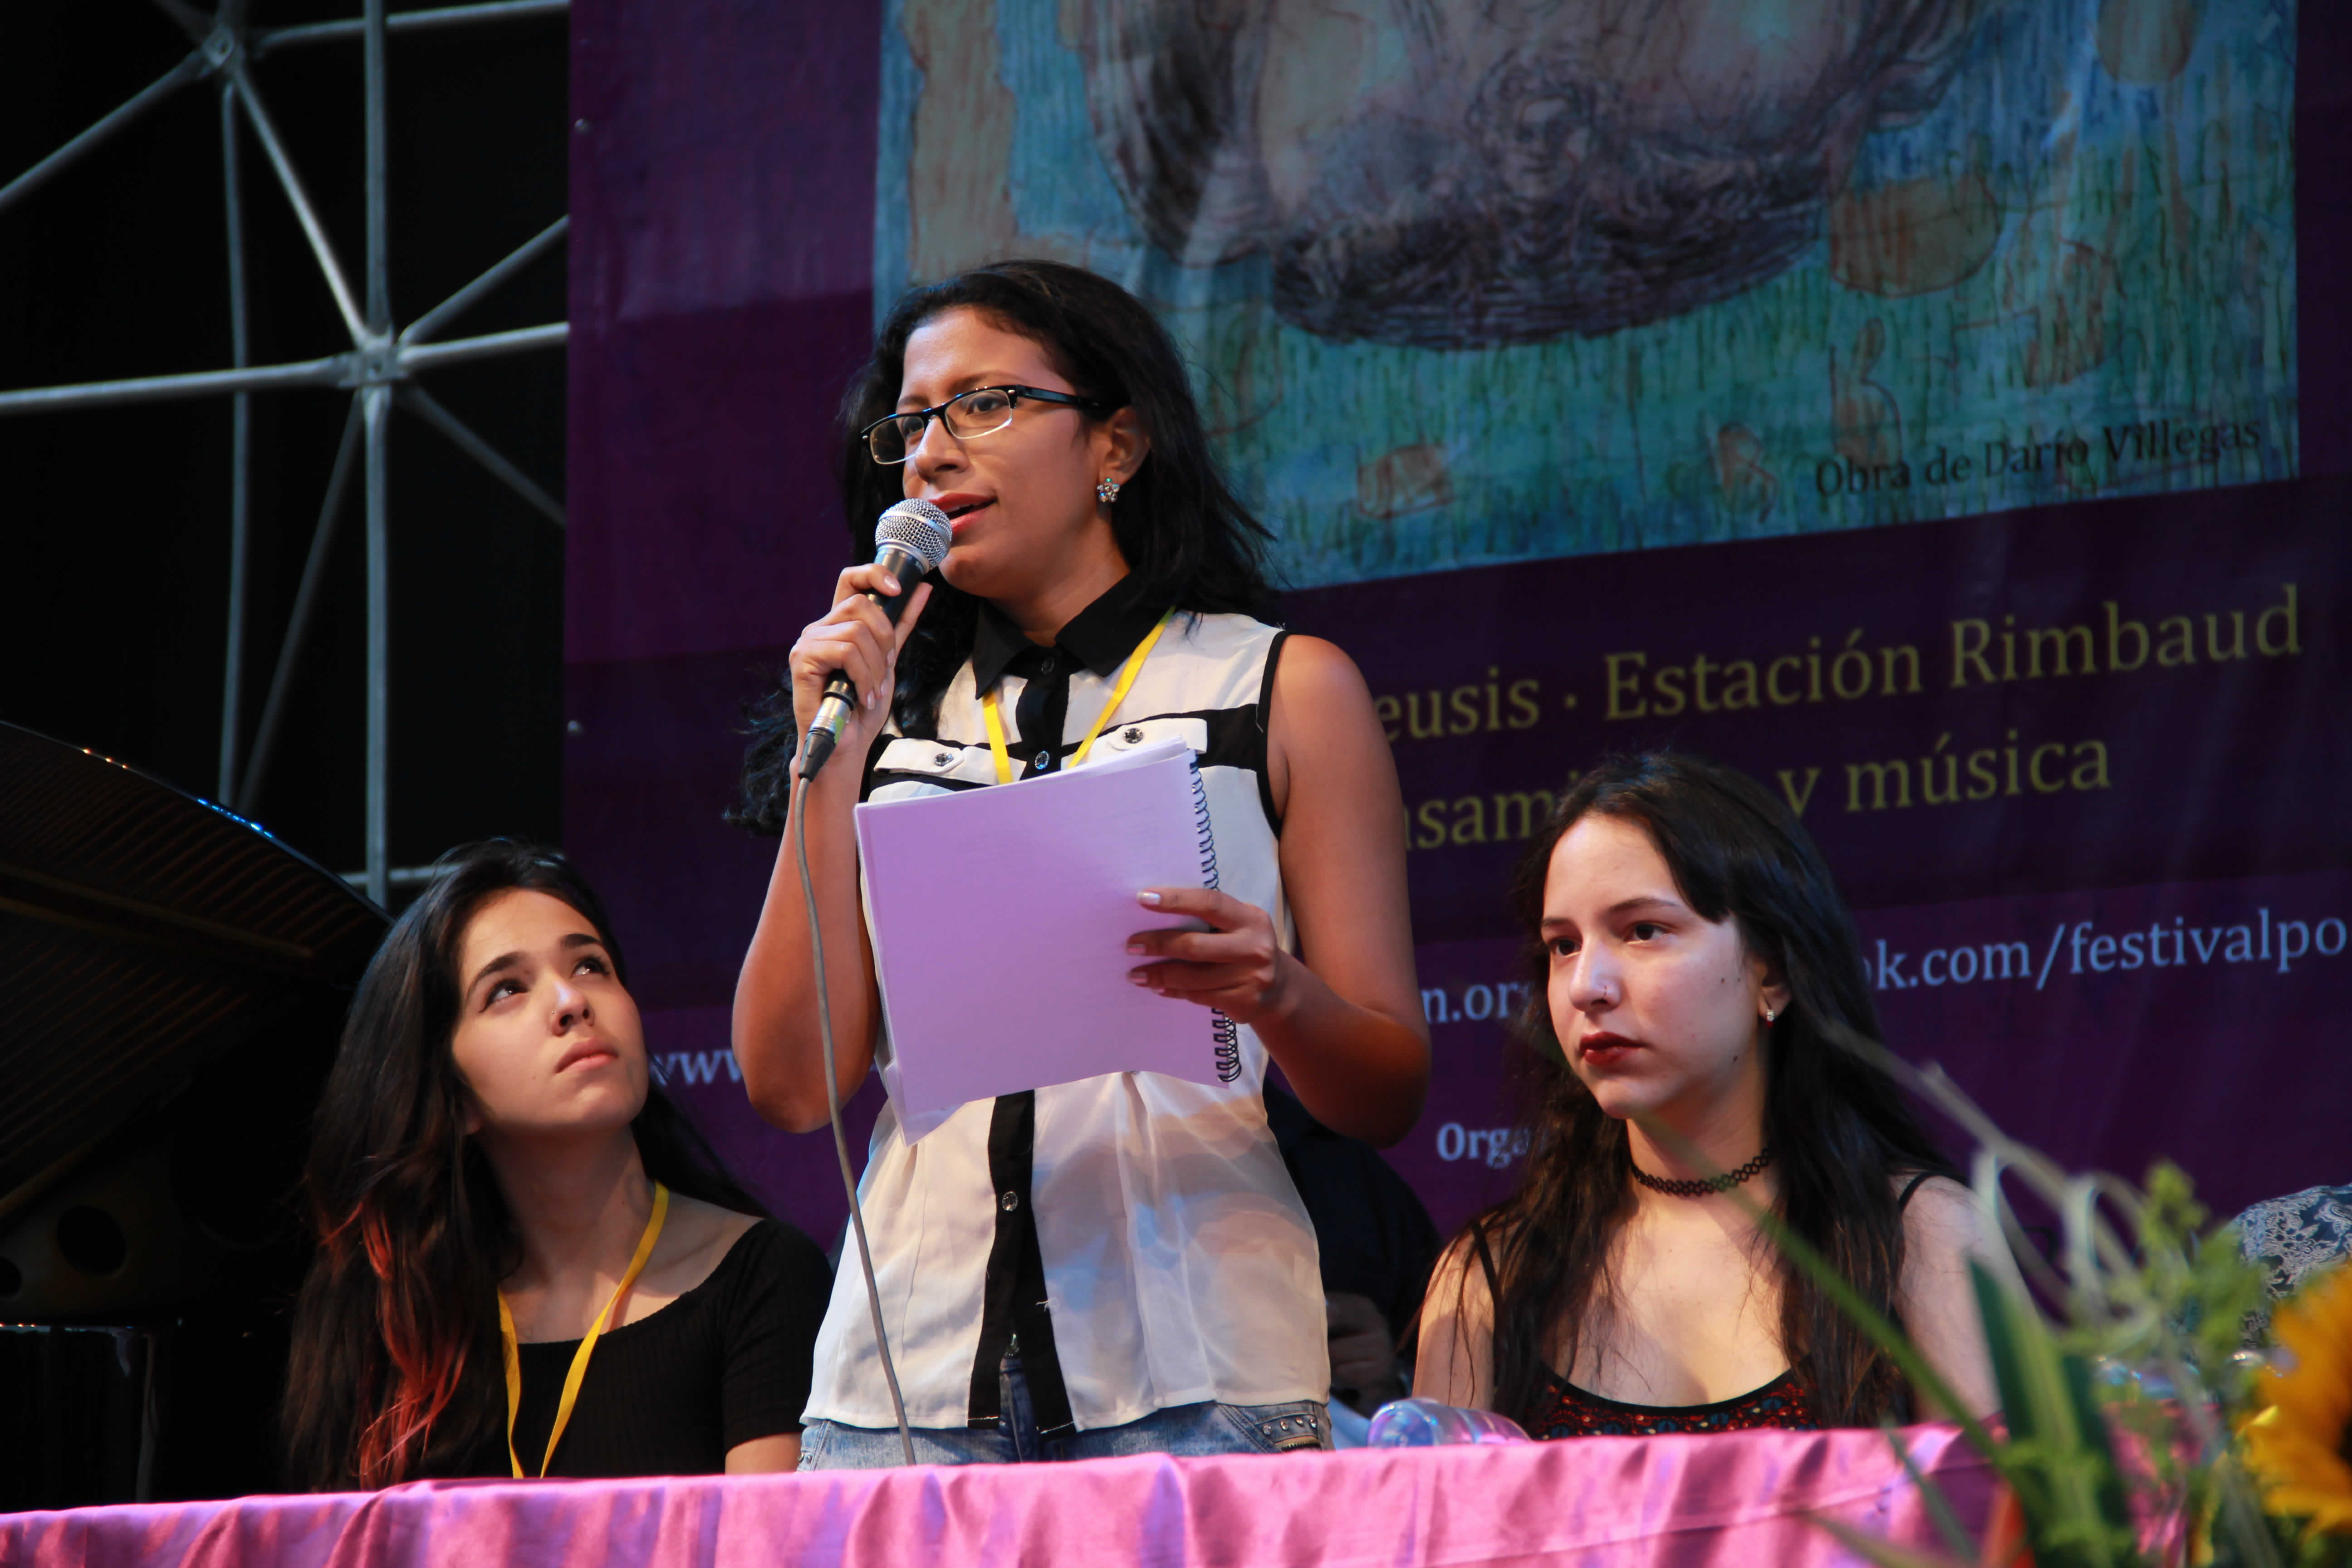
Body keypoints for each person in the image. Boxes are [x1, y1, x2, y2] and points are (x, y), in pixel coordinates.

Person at [730, 258, 1429, 1465]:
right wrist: (827, 759)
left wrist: (1278, 993)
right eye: (911, 424)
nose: (934, 453)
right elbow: (794, 1088)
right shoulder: (878, 718)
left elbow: (1388, 1088)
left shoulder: (1275, 688)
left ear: (1118, 443)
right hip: (909, 1382)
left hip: (1199, 1366)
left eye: (986, 405)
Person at [1415, 753, 1998, 1436]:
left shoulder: (1918, 1238)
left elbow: (2017, 1529)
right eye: (1563, 945)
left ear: (1772, 972)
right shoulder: (1492, 1276)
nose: (1587, 986)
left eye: (1643, 932)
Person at [281, 842, 831, 1489]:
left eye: (592, 965)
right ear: (452, 1098)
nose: (571, 1000)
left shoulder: (763, 1275)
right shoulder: (406, 1325)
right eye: (507, 989)